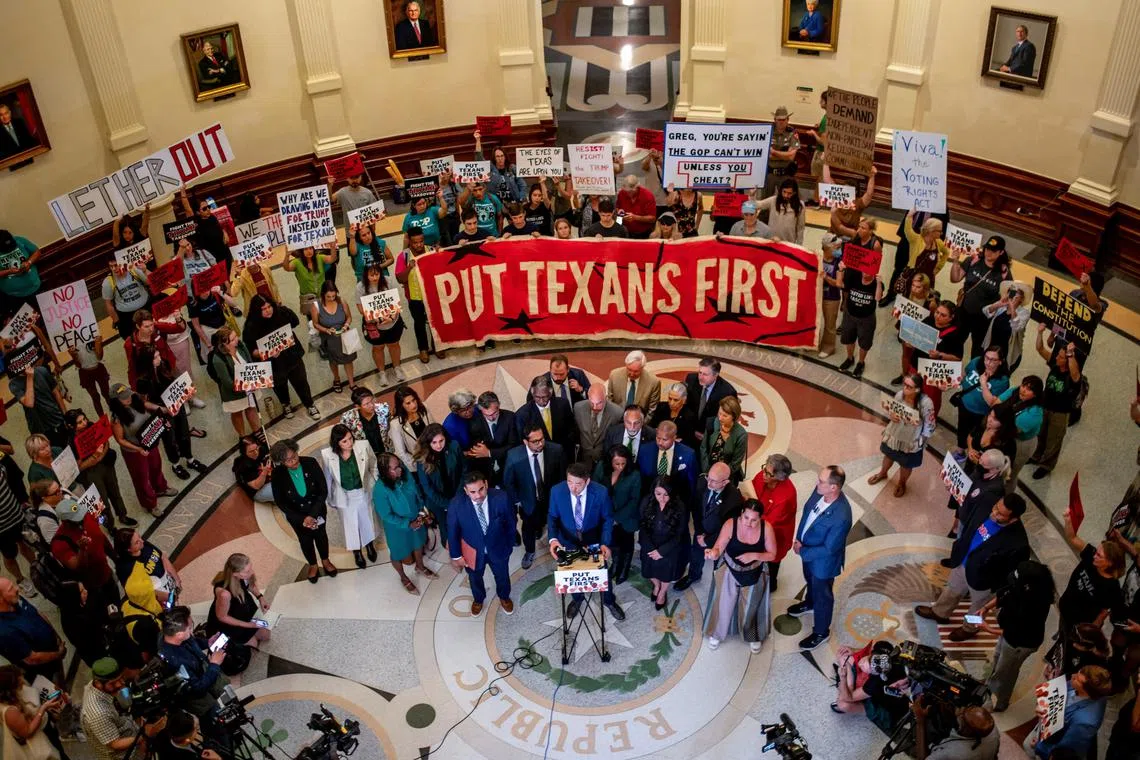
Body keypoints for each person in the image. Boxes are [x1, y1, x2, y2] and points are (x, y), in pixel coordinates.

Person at [917, 495, 1030, 641]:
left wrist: (994, 589)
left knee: (978, 608)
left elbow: (1009, 574)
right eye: (996, 507)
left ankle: (970, 629)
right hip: (963, 562)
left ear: (1014, 518)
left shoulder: (1018, 543)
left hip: (983, 582)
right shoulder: (987, 508)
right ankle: (940, 612)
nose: (994, 513)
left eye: (1001, 514)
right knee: (952, 589)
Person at [975, 559, 1055, 712]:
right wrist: (985, 608)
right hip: (1009, 638)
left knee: (1006, 672)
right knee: (998, 659)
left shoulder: (1035, 604)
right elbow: (1005, 592)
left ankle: (1000, 700)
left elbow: (1015, 630)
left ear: (1028, 586)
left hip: (1020, 643)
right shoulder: (1020, 586)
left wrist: (988, 629)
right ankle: (989, 685)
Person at [787, 466, 853, 650]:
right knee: (810, 581)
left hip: (823, 562)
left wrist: (803, 551)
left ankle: (821, 632)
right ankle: (810, 603)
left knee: (823, 595)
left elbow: (830, 548)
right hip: (807, 551)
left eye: (822, 481)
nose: (817, 483)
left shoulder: (842, 516)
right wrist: (799, 539)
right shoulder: (819, 492)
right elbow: (807, 514)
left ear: (834, 487)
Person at [702, 497, 777, 654]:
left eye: (754, 520)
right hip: (730, 568)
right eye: (746, 518)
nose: (749, 523)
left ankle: (752, 636)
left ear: (761, 518)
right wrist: (712, 554)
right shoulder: (731, 524)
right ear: (741, 513)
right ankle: (717, 633)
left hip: (754, 570)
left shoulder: (767, 528)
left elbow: (772, 555)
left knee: (751, 606)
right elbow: (718, 549)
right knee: (723, 603)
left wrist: (754, 555)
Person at [134, 343, 206, 481]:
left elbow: (174, 383)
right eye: (155, 357)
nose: (159, 359)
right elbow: (143, 402)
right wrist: (161, 409)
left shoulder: (164, 365)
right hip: (161, 411)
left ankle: (190, 459)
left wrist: (187, 392)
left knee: (184, 433)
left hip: (176, 405)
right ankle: (176, 464)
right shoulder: (142, 380)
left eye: (158, 355)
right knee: (169, 439)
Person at [269, 439, 336, 584]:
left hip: (316, 511)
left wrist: (312, 515)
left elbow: (322, 490)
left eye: (294, 456)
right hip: (297, 516)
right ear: (281, 462)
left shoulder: (310, 463)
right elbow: (280, 501)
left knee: (321, 536)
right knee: (305, 540)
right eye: (288, 460)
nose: (293, 462)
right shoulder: (277, 474)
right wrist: (302, 519)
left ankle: (325, 560)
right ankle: (312, 564)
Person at [448, 471, 515, 616]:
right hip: (472, 552)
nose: (478, 495)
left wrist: (509, 545)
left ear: (486, 484)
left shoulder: (501, 498)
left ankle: (504, 597)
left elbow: (511, 523)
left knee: (502, 575)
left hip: (498, 549)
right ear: (466, 490)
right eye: (472, 492)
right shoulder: (456, 505)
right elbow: (453, 532)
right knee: (474, 577)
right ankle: (478, 599)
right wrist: (456, 556)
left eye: (481, 489)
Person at [242, 295, 317, 420]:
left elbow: (295, 322)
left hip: (292, 355)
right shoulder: (251, 326)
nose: (268, 310)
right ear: (257, 311)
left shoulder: (281, 312)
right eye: (264, 309)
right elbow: (251, 350)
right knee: (279, 385)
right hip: (273, 363)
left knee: (301, 381)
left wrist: (284, 309)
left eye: (269, 306)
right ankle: (286, 404)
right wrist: (264, 353)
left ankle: (310, 404)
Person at [108, 383, 177, 515]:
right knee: (142, 479)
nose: (128, 399)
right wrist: (138, 449)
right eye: (124, 398)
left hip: (150, 442)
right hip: (135, 452)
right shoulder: (116, 419)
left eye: (129, 395)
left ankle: (160, 488)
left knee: (156, 467)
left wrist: (163, 409)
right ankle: (150, 504)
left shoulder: (136, 401)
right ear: (116, 401)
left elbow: (147, 405)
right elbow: (120, 440)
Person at [504, 422, 566, 569]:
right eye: (535, 441)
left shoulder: (556, 450)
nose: (540, 444)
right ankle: (530, 551)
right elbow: (509, 482)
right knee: (528, 529)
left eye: (542, 439)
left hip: (551, 499)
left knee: (556, 525)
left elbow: (562, 476)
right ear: (525, 441)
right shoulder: (514, 457)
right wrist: (518, 501)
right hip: (529, 501)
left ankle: (560, 551)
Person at [372, 453, 433, 595]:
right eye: (394, 469)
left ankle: (420, 566)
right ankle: (403, 577)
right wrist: (407, 524)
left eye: (399, 465)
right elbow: (386, 515)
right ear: (385, 472)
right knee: (398, 553)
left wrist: (422, 511)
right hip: (397, 528)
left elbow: (416, 492)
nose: (399, 470)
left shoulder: (404, 474)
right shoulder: (380, 489)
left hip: (415, 518)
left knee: (418, 543)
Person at [868, 373, 936, 498]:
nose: (905, 388)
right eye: (904, 384)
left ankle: (902, 483)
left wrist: (921, 441)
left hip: (912, 438)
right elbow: (892, 409)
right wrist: (891, 415)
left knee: (906, 463)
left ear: (917, 389)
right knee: (888, 454)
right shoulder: (900, 395)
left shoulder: (926, 403)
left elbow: (930, 424)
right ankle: (883, 473)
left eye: (909, 387)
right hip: (895, 432)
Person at [675, 462, 740, 592]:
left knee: (718, 563)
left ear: (725, 482)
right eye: (708, 478)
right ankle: (694, 575)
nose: (709, 483)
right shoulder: (702, 482)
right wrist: (700, 533)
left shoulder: (734, 500)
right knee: (696, 555)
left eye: (714, 481)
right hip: (701, 531)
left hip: (718, 539)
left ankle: (718, 585)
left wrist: (707, 540)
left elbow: (729, 529)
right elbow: (697, 509)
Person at [49, 494, 120, 612]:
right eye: (76, 519)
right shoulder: (59, 543)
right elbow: (76, 566)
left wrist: (115, 557)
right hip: (92, 587)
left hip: (106, 573)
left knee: (117, 602)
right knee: (105, 612)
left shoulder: (86, 516)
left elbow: (100, 536)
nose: (81, 519)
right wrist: (82, 549)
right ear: (66, 522)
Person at [322, 424, 379, 570]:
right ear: (337, 443)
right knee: (350, 525)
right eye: (344, 441)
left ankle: (369, 545)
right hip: (344, 496)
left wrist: (373, 483)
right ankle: (357, 551)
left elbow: (373, 465)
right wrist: (329, 498)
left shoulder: (363, 445)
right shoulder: (327, 455)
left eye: (350, 438)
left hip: (362, 491)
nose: (350, 443)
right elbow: (328, 479)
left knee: (366, 520)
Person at [1024, 665, 1112, 759]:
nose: (1072, 676)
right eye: (1078, 672)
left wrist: (1038, 746)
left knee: (1027, 746)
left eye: (1077, 679)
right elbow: (1057, 691)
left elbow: (1064, 753)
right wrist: (1042, 704)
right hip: (1048, 726)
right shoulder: (1092, 691)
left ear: (1086, 690)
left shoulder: (1084, 723)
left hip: (1049, 744)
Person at [82, 657, 162, 760]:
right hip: (123, 755)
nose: (120, 684)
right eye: (113, 682)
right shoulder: (98, 713)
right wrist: (144, 736)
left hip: (127, 730)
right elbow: (115, 744)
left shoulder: (94, 685)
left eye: (120, 678)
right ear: (98, 683)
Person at [64, 410, 134, 527]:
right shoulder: (71, 443)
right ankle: (110, 525)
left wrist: (100, 456)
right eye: (80, 422)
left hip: (106, 464)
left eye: (84, 419)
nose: (85, 423)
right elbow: (78, 467)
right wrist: (94, 458)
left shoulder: (91, 426)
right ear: (71, 426)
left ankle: (123, 515)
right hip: (90, 473)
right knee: (102, 501)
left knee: (115, 491)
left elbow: (105, 440)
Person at [157, 606, 229, 720]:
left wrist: (207, 643)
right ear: (179, 634)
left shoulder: (168, 633)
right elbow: (198, 689)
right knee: (213, 718)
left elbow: (192, 642)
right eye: (190, 628)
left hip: (203, 674)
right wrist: (214, 665)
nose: (192, 631)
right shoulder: (174, 663)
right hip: (201, 700)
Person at [1029, 325, 1082, 479]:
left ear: (1068, 360)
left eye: (1060, 357)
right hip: (1045, 406)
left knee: (1054, 440)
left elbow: (1075, 374)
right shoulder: (1055, 364)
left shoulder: (1074, 376)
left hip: (1060, 412)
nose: (1056, 358)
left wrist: (1071, 355)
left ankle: (1046, 465)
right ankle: (1036, 455)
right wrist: (1039, 332)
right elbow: (1040, 349)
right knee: (1041, 434)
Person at [1058, 508, 1125, 629]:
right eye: (1097, 552)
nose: (1094, 555)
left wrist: (1093, 628)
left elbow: (1105, 610)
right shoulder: (1091, 555)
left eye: (1099, 555)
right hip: (1065, 608)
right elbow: (1073, 538)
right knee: (1062, 627)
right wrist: (1068, 520)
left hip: (1080, 624)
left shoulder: (1112, 587)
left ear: (1109, 563)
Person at [950, 236, 1012, 359]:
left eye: (993, 251)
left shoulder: (1004, 272)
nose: (988, 252)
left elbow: (1008, 297)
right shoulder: (973, 260)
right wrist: (955, 261)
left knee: (978, 351)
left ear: (1001, 252)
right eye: (987, 248)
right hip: (964, 311)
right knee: (955, 343)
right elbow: (955, 279)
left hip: (983, 319)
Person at [0, 578, 64, 685]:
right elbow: (32, 659)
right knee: (58, 694)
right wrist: (58, 654)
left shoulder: (16, 600)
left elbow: (38, 613)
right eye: (11, 589)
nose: (17, 589)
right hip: (43, 674)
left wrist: (56, 636)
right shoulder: (4, 633)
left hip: (55, 654)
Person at [638, 476, 689, 611]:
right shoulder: (647, 501)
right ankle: (656, 585)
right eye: (658, 493)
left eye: (666, 494)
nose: (661, 498)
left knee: (666, 573)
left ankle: (662, 592)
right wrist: (650, 548)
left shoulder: (679, 506)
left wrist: (662, 551)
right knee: (650, 571)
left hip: (669, 547)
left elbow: (680, 533)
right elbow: (642, 527)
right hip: (650, 544)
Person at [593, 445, 640, 585]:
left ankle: (624, 569)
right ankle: (616, 564)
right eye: (616, 463)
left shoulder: (634, 474)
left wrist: (616, 518)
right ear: (610, 461)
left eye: (623, 463)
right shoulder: (602, 466)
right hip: (606, 515)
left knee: (626, 544)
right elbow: (594, 488)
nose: (620, 467)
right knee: (612, 542)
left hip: (626, 518)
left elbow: (634, 500)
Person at [394, 227, 443, 363]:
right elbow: (400, 279)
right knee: (419, 323)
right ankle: (423, 349)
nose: (419, 245)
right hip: (414, 297)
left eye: (421, 241)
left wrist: (439, 255)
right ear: (409, 241)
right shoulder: (403, 256)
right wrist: (409, 267)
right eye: (415, 242)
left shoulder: (431, 251)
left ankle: (437, 346)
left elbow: (443, 268)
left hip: (432, 295)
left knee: (435, 321)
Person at [206, 553, 270, 652]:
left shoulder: (243, 576)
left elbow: (250, 585)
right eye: (247, 571)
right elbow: (222, 617)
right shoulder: (224, 593)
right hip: (231, 621)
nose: (252, 572)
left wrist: (260, 598)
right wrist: (248, 625)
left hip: (244, 609)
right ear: (235, 574)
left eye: (251, 568)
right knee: (253, 646)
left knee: (266, 636)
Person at [752, 454, 797, 592]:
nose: (763, 474)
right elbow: (752, 488)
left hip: (776, 533)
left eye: (768, 473)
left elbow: (772, 522)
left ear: (779, 477)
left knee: (772, 561)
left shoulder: (786, 496)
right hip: (757, 523)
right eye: (764, 469)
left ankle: (771, 584)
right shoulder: (764, 474)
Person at [208, 328, 263, 439]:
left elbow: (250, 364)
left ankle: (257, 431)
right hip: (233, 393)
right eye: (233, 339)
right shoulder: (217, 359)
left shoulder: (241, 346)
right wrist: (246, 387)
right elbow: (227, 382)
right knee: (237, 413)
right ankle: (242, 436)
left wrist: (256, 380)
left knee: (251, 407)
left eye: (235, 336)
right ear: (224, 344)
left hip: (249, 387)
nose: (237, 340)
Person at [945, 449, 1011, 541]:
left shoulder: (993, 491)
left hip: (970, 524)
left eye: (983, 464)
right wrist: (954, 487)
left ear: (996, 469)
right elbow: (967, 486)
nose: (979, 464)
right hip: (963, 514)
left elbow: (980, 516)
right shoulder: (980, 471)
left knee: (963, 541)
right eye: (980, 460)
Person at [283, 243, 338, 352]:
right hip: (309, 300)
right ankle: (319, 344)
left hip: (322, 297)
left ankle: (327, 340)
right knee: (313, 323)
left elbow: (332, 259)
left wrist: (332, 248)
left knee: (325, 319)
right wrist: (287, 255)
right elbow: (286, 268)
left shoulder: (319, 258)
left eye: (310, 248)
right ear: (301, 251)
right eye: (305, 249)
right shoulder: (297, 263)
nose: (309, 251)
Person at [991, 376, 1044, 491]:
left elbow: (1013, 430)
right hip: (1003, 433)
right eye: (1023, 385)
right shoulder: (1015, 391)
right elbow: (995, 404)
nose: (1023, 390)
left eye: (1029, 389)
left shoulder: (1034, 412)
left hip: (1021, 443)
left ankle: (1006, 497)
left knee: (1010, 474)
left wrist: (995, 420)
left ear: (1035, 395)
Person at [953, 346, 1011, 450]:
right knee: (962, 428)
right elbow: (964, 375)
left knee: (974, 434)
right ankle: (960, 449)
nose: (988, 363)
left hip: (980, 413)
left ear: (1001, 362)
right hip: (964, 404)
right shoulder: (976, 362)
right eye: (986, 358)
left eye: (993, 360)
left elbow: (992, 403)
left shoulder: (1003, 380)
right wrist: (950, 383)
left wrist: (983, 383)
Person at [0, 664, 62, 760]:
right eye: (19, 682)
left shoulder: (10, 697)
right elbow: (27, 731)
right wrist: (42, 709)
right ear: (10, 687)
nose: (22, 682)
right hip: (34, 751)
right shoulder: (10, 712)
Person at [114, 527, 180, 617]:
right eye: (137, 542)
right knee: (171, 617)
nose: (142, 541)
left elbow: (162, 557)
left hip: (169, 587)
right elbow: (146, 593)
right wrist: (170, 597)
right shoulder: (128, 569)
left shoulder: (144, 545)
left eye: (139, 537)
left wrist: (176, 580)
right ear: (128, 549)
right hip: (159, 601)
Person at [414, 424, 465, 534]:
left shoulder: (454, 446)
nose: (439, 445)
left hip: (459, 494)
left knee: (464, 527)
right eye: (434, 442)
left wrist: (458, 496)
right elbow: (428, 488)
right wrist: (447, 504)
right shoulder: (421, 459)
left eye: (441, 440)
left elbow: (463, 471)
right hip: (438, 502)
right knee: (447, 532)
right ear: (428, 442)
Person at [9, 356, 68, 449]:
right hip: (39, 428)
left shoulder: (42, 370)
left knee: (69, 448)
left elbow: (56, 393)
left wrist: (66, 415)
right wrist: (29, 377)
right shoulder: (14, 384)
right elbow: (29, 403)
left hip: (56, 418)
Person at [912, 697, 999, 760]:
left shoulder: (951, 753)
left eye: (962, 716)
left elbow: (922, 758)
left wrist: (920, 722)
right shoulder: (993, 730)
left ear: (967, 730)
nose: (960, 711)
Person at [836, 260, 882, 379]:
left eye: (868, 271)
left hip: (867, 318)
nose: (865, 273)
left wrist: (878, 283)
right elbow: (839, 284)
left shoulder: (876, 283)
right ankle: (850, 358)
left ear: (874, 272)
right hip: (850, 314)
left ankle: (861, 363)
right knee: (848, 338)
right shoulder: (854, 277)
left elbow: (877, 298)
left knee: (864, 343)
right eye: (863, 270)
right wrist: (841, 270)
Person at [312, 280, 358, 392]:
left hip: (344, 336)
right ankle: (336, 379)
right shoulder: (316, 306)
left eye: (333, 296)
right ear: (323, 294)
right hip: (329, 338)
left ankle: (351, 383)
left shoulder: (341, 301)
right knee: (333, 361)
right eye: (329, 296)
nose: (332, 298)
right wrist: (326, 329)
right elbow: (315, 323)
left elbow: (349, 317)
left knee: (348, 360)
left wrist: (346, 326)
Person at [637, 420, 698, 505]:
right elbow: (640, 479)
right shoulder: (644, 450)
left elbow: (692, 483)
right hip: (650, 502)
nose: (660, 442)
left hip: (676, 503)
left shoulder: (688, 454)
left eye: (665, 439)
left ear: (674, 437)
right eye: (658, 438)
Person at [516, 376, 577, 455]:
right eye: (537, 397)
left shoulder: (563, 404)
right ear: (532, 393)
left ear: (550, 392)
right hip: (540, 456)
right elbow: (523, 442)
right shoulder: (522, 414)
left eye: (544, 397)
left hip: (564, 454)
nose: (541, 401)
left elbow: (572, 429)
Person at [468, 391, 517, 487]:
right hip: (488, 472)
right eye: (486, 415)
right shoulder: (474, 424)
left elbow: (513, 446)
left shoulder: (510, 418)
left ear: (498, 406)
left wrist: (489, 453)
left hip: (508, 466)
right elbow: (478, 451)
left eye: (494, 413)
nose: (491, 418)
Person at [981, 280, 1032, 371]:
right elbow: (986, 311)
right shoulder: (1001, 307)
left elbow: (1017, 327)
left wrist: (1012, 307)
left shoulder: (1024, 313)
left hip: (1008, 355)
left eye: (1017, 293)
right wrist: (999, 304)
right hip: (991, 351)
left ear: (1022, 298)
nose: (1013, 295)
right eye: (1011, 291)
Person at [684, 358, 738, 441]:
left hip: (711, 436)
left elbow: (728, 420)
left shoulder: (728, 392)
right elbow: (687, 406)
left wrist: (707, 436)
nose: (700, 377)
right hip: (689, 430)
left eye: (705, 374)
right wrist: (691, 430)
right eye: (700, 372)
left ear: (716, 375)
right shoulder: (691, 379)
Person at [574, 385, 623, 472]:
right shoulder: (578, 408)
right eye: (592, 403)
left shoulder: (617, 412)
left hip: (604, 461)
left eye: (599, 403)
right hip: (584, 459)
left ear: (606, 398)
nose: (595, 407)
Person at [699, 397, 747, 484]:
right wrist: (707, 470)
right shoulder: (712, 423)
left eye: (725, 415)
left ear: (734, 417)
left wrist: (720, 477)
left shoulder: (741, 435)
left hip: (725, 477)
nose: (720, 418)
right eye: (719, 413)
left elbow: (735, 463)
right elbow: (703, 448)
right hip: (707, 471)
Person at [102, 260, 151, 341]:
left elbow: (151, 282)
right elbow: (108, 304)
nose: (114, 269)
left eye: (116, 265)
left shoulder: (134, 270)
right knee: (134, 341)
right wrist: (117, 322)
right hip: (127, 317)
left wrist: (145, 270)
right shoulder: (108, 282)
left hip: (146, 309)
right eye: (111, 266)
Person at [824, 165, 877, 238]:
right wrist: (825, 163)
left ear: (855, 192)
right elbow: (827, 180)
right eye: (844, 188)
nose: (845, 192)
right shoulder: (837, 197)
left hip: (849, 236)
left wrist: (872, 175)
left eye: (848, 190)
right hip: (833, 233)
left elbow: (869, 194)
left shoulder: (858, 202)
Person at [0, 231, 42, 319]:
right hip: (13, 296)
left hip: (34, 288)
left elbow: (37, 252)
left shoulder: (19, 240)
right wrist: (9, 271)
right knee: (27, 324)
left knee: (43, 317)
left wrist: (29, 263)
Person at [390, 385, 433, 469]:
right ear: (401, 405)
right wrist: (418, 466)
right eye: (408, 403)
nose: (413, 405)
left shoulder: (424, 408)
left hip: (435, 452)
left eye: (414, 400)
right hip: (418, 463)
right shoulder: (396, 424)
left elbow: (435, 429)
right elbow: (401, 453)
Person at [606, 349, 660, 417]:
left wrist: (638, 425)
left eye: (636, 371)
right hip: (617, 420)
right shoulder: (614, 376)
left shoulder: (653, 382)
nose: (632, 374)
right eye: (629, 369)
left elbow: (652, 411)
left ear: (642, 367)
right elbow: (610, 402)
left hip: (640, 423)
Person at [341, 386, 389, 458]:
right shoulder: (348, 418)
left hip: (385, 451)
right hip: (365, 455)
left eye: (372, 401)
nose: (372, 405)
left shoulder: (383, 409)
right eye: (366, 404)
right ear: (358, 406)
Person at [764, 107, 801, 198]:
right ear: (775, 120)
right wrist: (784, 154)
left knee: (786, 202)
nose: (781, 122)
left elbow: (791, 157)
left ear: (788, 120)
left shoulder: (793, 133)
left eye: (783, 119)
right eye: (779, 119)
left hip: (786, 174)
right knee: (765, 201)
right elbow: (766, 155)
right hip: (770, 173)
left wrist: (773, 152)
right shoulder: (767, 132)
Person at [753, 178, 805, 243]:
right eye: (784, 192)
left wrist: (799, 245)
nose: (786, 195)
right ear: (781, 191)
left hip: (789, 242)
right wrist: (752, 196)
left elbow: (800, 228)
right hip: (772, 240)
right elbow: (758, 205)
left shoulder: (800, 205)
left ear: (794, 193)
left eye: (789, 193)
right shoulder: (773, 200)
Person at [649, 383, 698, 451]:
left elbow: (688, 441)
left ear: (684, 400)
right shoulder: (661, 407)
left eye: (676, 400)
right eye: (670, 398)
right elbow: (652, 427)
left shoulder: (689, 417)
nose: (671, 403)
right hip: (657, 444)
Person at [818, 234, 843, 358]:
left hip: (832, 297)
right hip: (817, 295)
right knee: (815, 321)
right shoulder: (817, 257)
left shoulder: (840, 262)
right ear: (827, 248)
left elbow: (840, 284)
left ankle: (829, 347)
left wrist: (826, 277)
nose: (839, 250)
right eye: (837, 247)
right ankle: (813, 343)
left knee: (830, 324)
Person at [233, 435, 273, 503]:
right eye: (251, 451)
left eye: (256, 448)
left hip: (271, 479)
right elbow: (256, 486)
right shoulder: (243, 466)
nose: (256, 453)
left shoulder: (261, 449)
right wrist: (264, 472)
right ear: (244, 452)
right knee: (281, 490)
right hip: (258, 491)